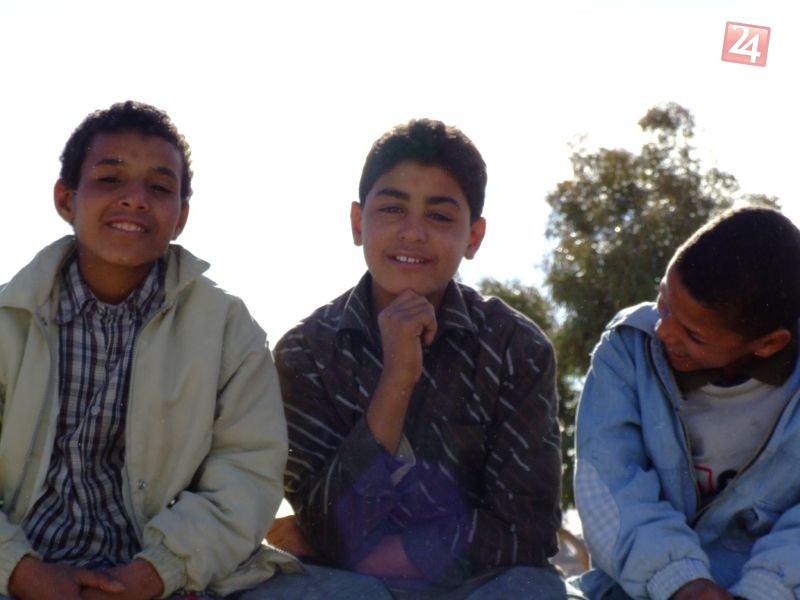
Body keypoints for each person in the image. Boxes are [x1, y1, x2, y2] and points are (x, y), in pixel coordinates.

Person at [262, 118, 584, 599]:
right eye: (392, 209)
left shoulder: (516, 347)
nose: (412, 233)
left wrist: (397, 552)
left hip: (481, 587)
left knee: (533, 591)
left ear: (473, 237)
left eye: (439, 216)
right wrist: (397, 378)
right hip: (348, 587)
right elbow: (328, 527)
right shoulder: (305, 353)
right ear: (357, 223)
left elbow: (528, 531)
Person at [0, 101, 298, 600]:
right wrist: (23, 572)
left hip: (174, 578)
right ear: (66, 199)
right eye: (110, 179)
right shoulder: (10, 318)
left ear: (181, 217)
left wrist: (153, 574)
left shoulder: (226, 328)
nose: (135, 199)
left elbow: (247, 472)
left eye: (159, 187)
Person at [570, 206, 800, 600]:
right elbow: (609, 480)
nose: (664, 331)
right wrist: (679, 582)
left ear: (768, 344)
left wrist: (765, 590)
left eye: (694, 334)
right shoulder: (628, 349)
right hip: (638, 584)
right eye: (663, 300)